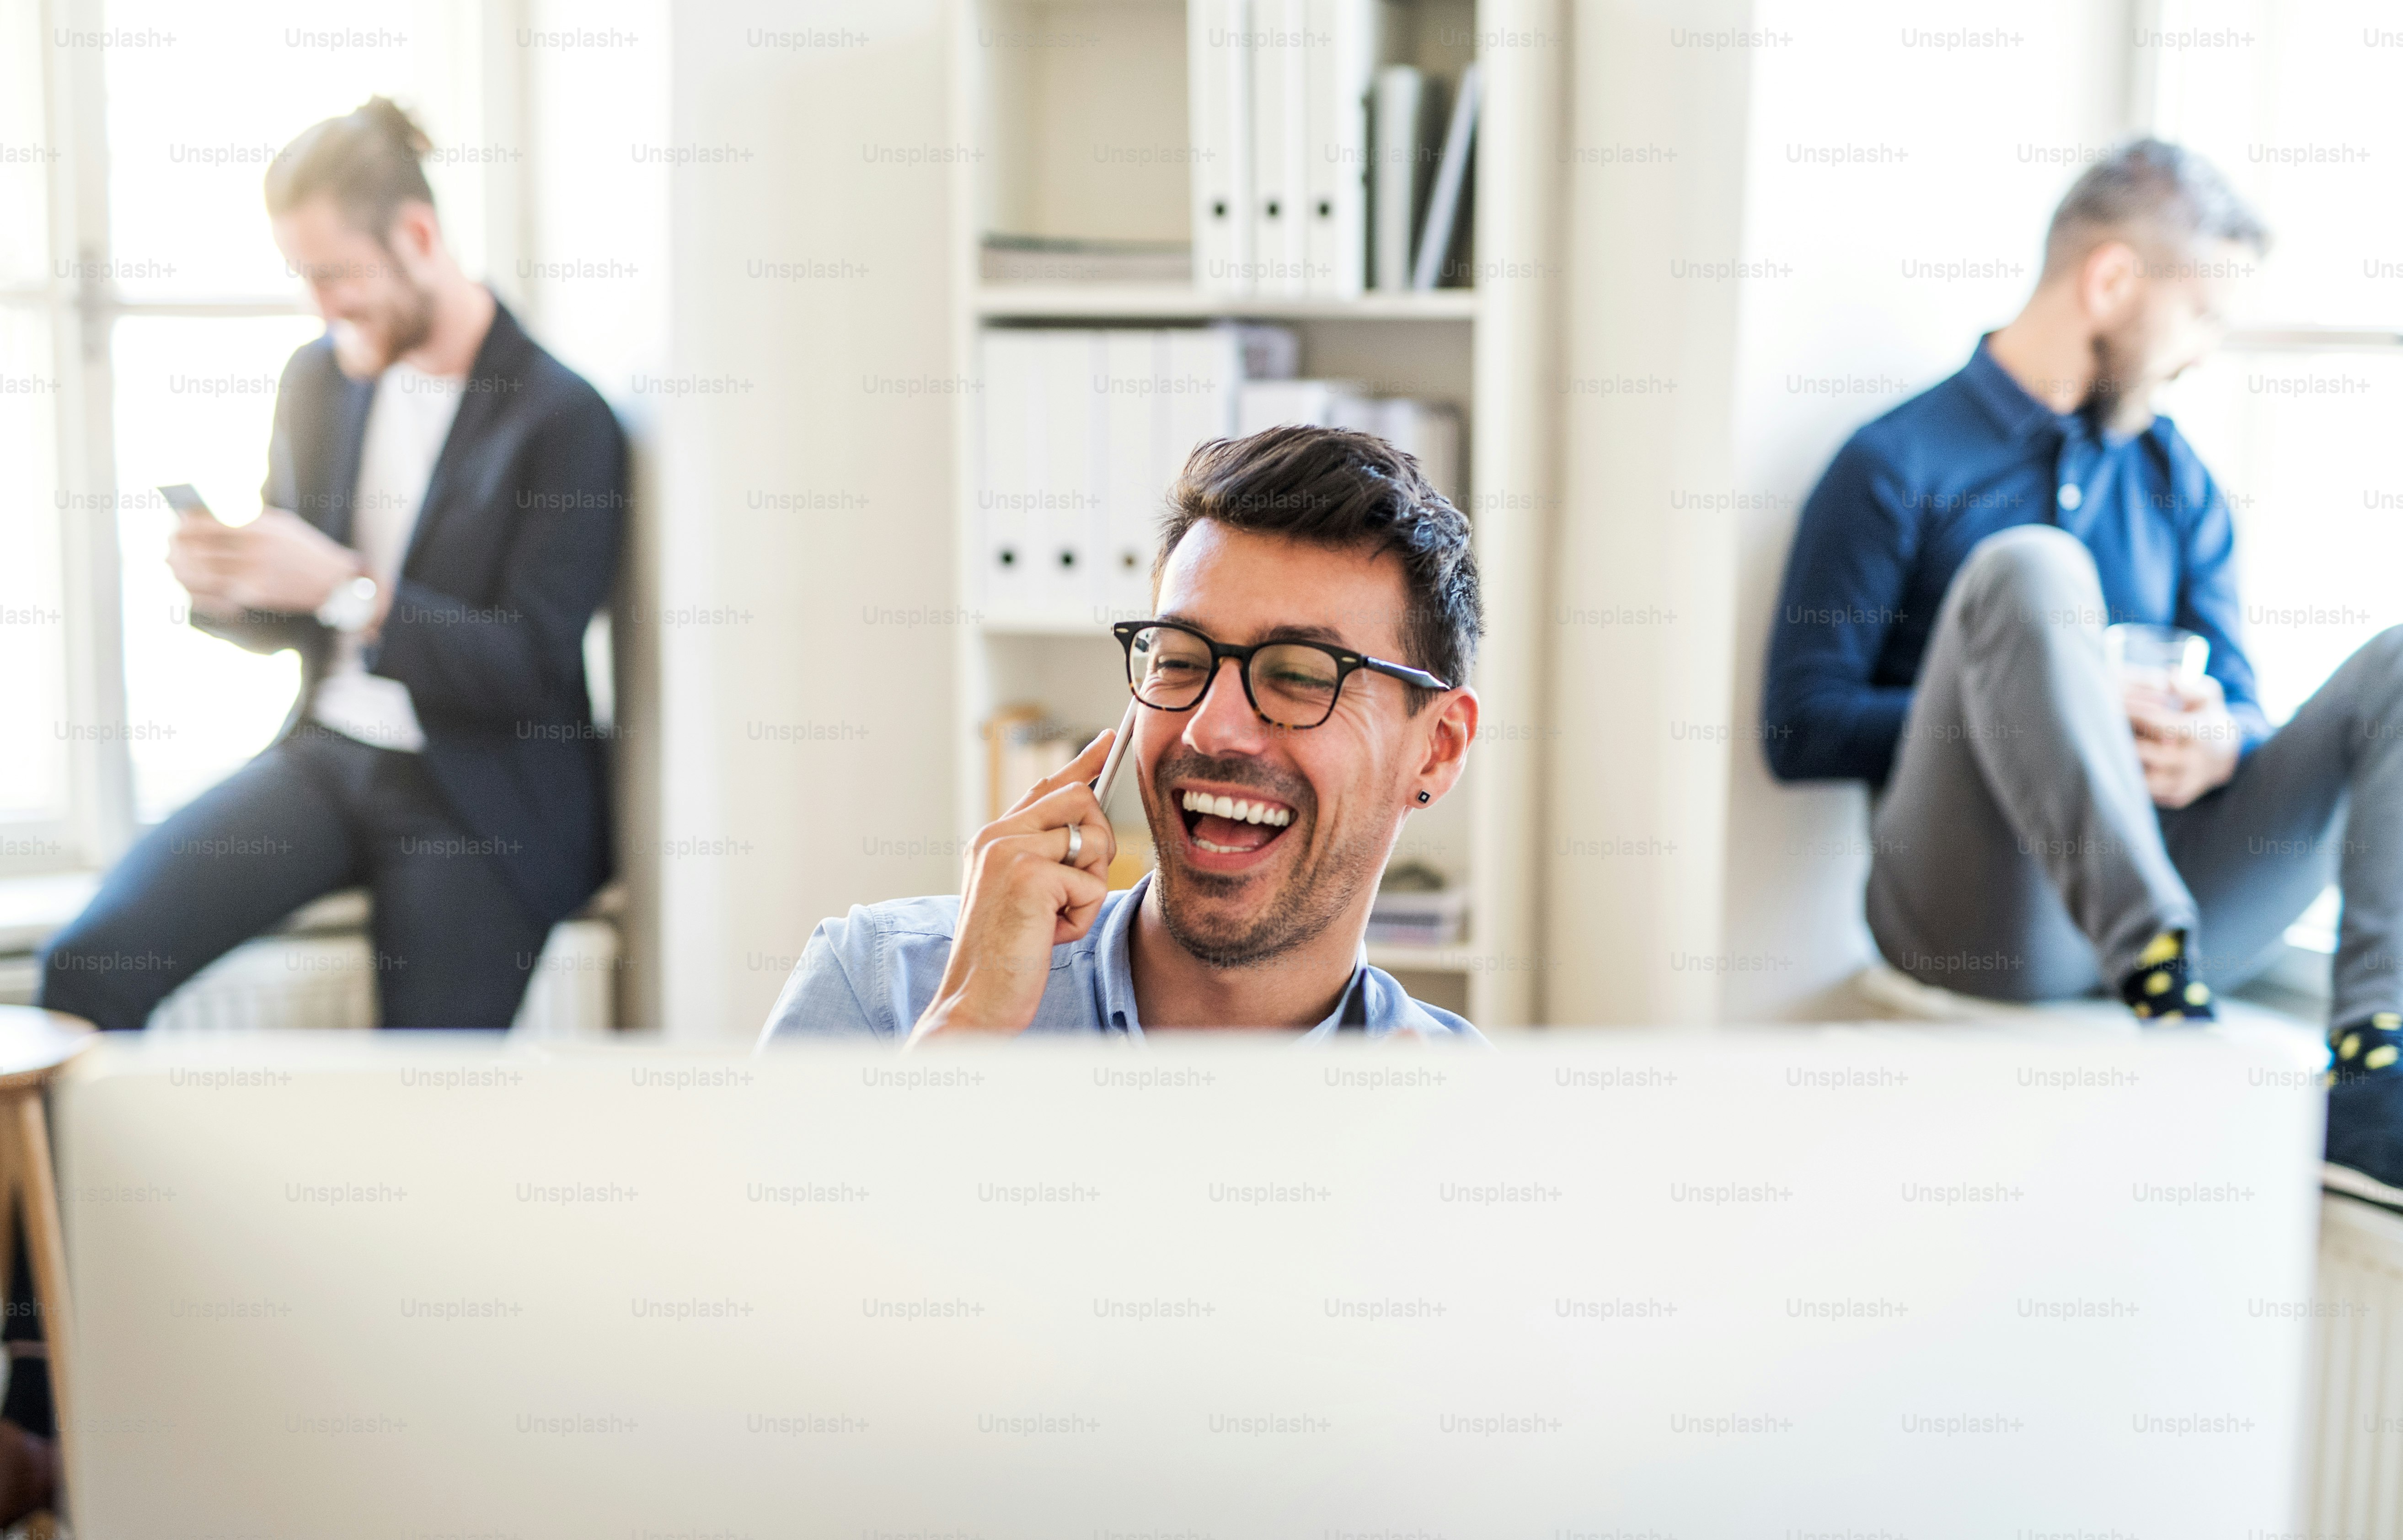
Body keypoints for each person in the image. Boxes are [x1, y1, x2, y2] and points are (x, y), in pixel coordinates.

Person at [1763, 137, 2403, 1199]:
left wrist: (2219, 737)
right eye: (2200, 318)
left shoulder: (2176, 476)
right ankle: (2162, 988)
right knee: (2031, 568)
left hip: (2185, 889)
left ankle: (2376, 1068)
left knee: (2397, 665)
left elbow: (2244, 696)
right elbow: (1800, 728)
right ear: (2110, 282)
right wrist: (2044, 695)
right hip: (1981, 919)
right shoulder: (1895, 462)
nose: (2202, 355)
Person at [37, 97, 627, 1033]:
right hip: (325, 757)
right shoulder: (319, 381)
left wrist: (351, 591)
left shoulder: (562, 420)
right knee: (86, 969)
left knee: (420, 1089)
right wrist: (230, 584)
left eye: (336, 275)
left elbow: (527, 669)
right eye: (303, 278)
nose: (322, 306)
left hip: (475, 796)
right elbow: (294, 611)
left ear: (418, 236)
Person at [760, 426, 1482, 1043]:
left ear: (1439, 747)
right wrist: (966, 1027)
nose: (1212, 727)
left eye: (1300, 674)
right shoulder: (877, 987)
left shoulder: (1471, 1112)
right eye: (1179, 659)